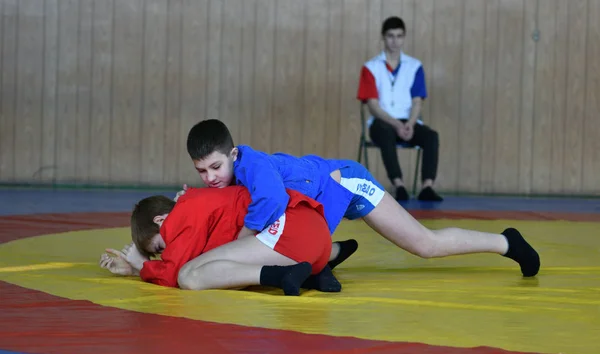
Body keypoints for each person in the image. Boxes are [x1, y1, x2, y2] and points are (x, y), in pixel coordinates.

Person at [179, 119, 540, 280]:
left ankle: (507, 242)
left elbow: (270, 201)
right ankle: (335, 251)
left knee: (425, 245)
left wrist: (241, 238)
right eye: (202, 172)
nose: (211, 178)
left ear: (234, 153)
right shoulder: (233, 172)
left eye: (215, 167)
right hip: (325, 187)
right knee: (303, 243)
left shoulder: (253, 166)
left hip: (346, 183)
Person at [99, 186, 353, 295]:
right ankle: (319, 266)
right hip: (313, 231)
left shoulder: (183, 213)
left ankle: (283, 275)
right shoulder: (199, 205)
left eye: (160, 247)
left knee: (188, 276)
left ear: (161, 220)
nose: (167, 252)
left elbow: (173, 272)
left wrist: (141, 266)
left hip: (293, 230)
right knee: (221, 272)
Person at [357, 16, 442, 202]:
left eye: (399, 36)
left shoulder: (415, 66)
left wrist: (411, 123)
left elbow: (417, 100)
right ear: (383, 37)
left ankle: (427, 186)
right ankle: (399, 185)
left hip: (408, 122)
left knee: (431, 136)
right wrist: (396, 124)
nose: (395, 41)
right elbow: (372, 105)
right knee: (385, 132)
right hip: (382, 123)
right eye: (390, 36)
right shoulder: (370, 67)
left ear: (404, 37)